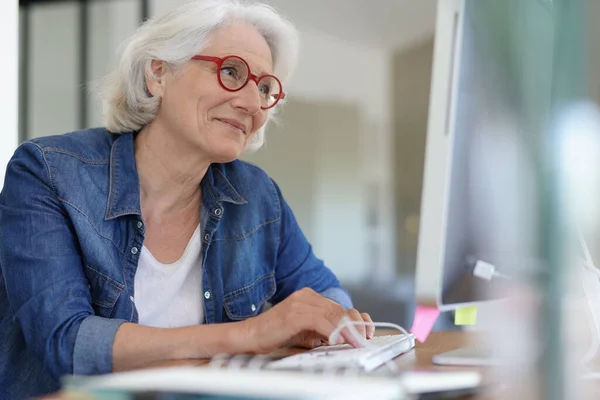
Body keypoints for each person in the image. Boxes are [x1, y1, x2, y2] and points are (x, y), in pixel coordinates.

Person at [0, 0, 374, 398]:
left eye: (264, 88)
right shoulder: (46, 172)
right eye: (231, 72)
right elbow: (67, 342)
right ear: (158, 74)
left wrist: (337, 319)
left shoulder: (259, 196)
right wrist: (251, 334)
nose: (251, 104)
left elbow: (324, 293)